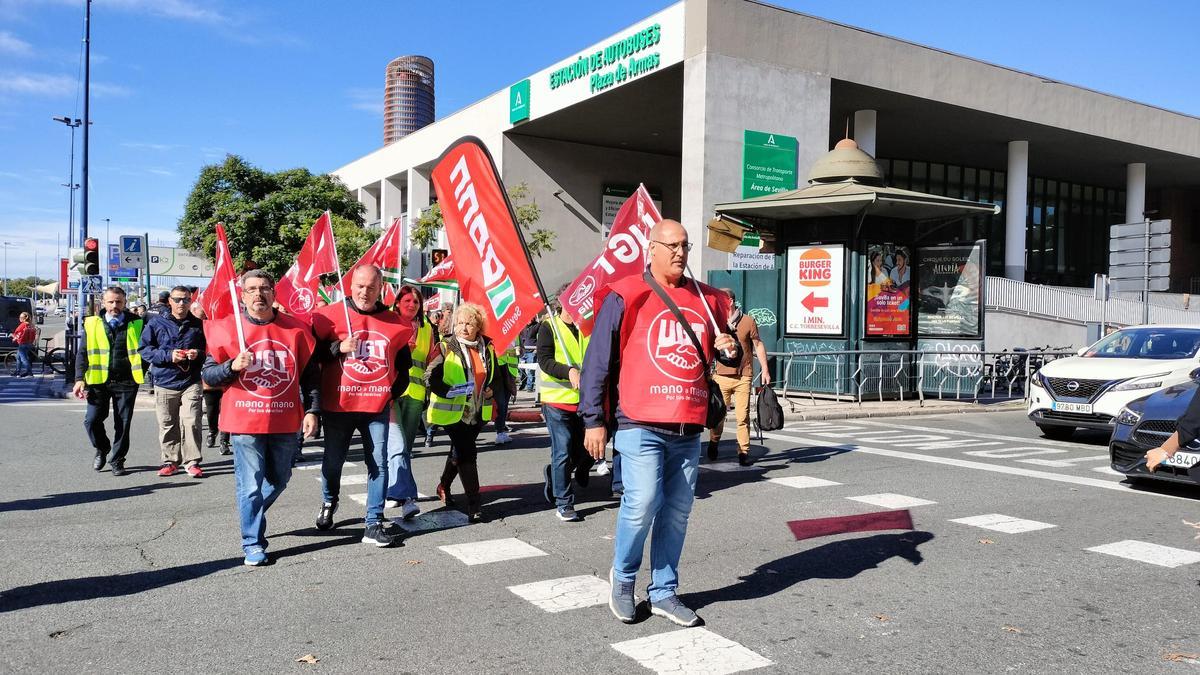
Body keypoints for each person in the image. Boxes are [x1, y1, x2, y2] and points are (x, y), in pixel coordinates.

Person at [580, 219, 740, 627]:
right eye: (670, 245)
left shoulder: (708, 299)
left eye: (685, 245)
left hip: (688, 424)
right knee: (643, 502)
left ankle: (665, 591)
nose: (679, 253)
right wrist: (593, 420)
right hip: (639, 421)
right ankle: (624, 578)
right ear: (650, 249)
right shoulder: (628, 293)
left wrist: (728, 348)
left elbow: (724, 353)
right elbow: (598, 360)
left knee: (678, 511)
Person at [202, 270, 319, 566]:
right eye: (252, 289)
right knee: (250, 485)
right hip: (244, 421)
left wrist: (313, 410)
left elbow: (310, 377)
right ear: (242, 296)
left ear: (273, 294)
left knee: (280, 479)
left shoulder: (297, 331)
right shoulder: (227, 329)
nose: (258, 294)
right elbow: (208, 375)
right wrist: (231, 366)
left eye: (264, 288)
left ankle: (249, 511)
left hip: (283, 418)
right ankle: (253, 541)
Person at [311, 265, 412, 547]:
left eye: (370, 287)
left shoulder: (395, 323)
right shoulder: (328, 317)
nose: (364, 292)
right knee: (333, 462)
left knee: (378, 462)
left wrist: (391, 393)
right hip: (338, 404)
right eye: (359, 286)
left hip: (376, 405)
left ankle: (374, 522)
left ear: (380, 288)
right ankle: (329, 501)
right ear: (350, 286)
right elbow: (310, 357)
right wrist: (337, 348)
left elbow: (404, 367)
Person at [426, 302, 496, 523]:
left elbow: (492, 374)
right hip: (453, 413)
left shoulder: (487, 347)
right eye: (460, 323)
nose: (464, 328)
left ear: (478, 327)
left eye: (469, 323)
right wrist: (450, 391)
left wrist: (491, 388)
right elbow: (430, 377)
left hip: (476, 411)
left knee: (459, 451)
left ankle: (444, 485)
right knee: (467, 453)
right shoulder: (446, 346)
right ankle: (475, 505)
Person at [73, 287, 146, 476]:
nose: (115, 305)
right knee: (91, 420)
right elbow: (82, 353)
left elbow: (145, 351)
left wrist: (141, 370)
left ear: (124, 303)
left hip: (127, 381)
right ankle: (102, 448)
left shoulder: (136, 322)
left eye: (119, 302)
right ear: (103, 303)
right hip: (99, 381)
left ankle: (117, 460)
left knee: (123, 422)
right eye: (111, 302)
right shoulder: (92, 324)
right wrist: (79, 379)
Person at [139, 285, 207, 478]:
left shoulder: (197, 324)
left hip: (190, 381)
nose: (181, 303)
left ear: (190, 301)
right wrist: (168, 355)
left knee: (192, 421)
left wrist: (197, 354)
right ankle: (170, 461)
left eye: (186, 299)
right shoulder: (156, 323)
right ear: (169, 301)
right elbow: (145, 350)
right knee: (168, 423)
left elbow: (207, 350)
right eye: (177, 299)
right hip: (164, 380)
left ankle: (192, 461)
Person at [538, 287, 592, 522]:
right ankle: (564, 503)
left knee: (586, 450)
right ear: (561, 303)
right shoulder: (549, 327)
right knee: (562, 449)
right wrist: (567, 371)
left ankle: (556, 474)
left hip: (584, 400)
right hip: (557, 401)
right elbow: (544, 360)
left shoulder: (586, 327)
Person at [384, 285, 435, 519]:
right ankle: (407, 497)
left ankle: (393, 490)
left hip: (415, 394)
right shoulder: (389, 323)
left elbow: (432, 357)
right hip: (392, 393)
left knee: (405, 448)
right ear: (397, 303)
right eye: (407, 301)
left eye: (416, 302)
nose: (412, 305)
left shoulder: (426, 329)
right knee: (398, 446)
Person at [708, 288, 771, 466]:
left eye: (720, 299)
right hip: (721, 375)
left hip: (744, 375)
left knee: (742, 416)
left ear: (729, 301)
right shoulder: (716, 322)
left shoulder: (748, 321)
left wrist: (765, 369)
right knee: (718, 416)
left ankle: (743, 451)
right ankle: (714, 440)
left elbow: (758, 345)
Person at [492, 344, 518, 445]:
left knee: (505, 402)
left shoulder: (515, 332)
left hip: (510, 370)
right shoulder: (494, 331)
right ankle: (499, 431)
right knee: (500, 402)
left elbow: (520, 350)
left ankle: (501, 431)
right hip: (498, 368)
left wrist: (519, 350)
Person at [12, 311, 37, 377]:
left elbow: (18, 333)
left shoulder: (23, 325)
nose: (19, 318)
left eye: (20, 317)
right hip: (29, 343)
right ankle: (17, 372)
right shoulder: (31, 325)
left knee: (23, 359)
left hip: (23, 343)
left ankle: (30, 373)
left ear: (24, 318)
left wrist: (13, 337)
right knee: (18, 357)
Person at [519, 319, 539, 392]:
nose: (530, 319)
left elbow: (541, 337)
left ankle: (529, 387)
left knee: (530, 371)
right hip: (522, 351)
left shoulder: (537, 325)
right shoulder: (521, 325)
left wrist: (536, 349)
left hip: (532, 351)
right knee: (521, 369)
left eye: (532, 317)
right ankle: (523, 383)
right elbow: (519, 337)